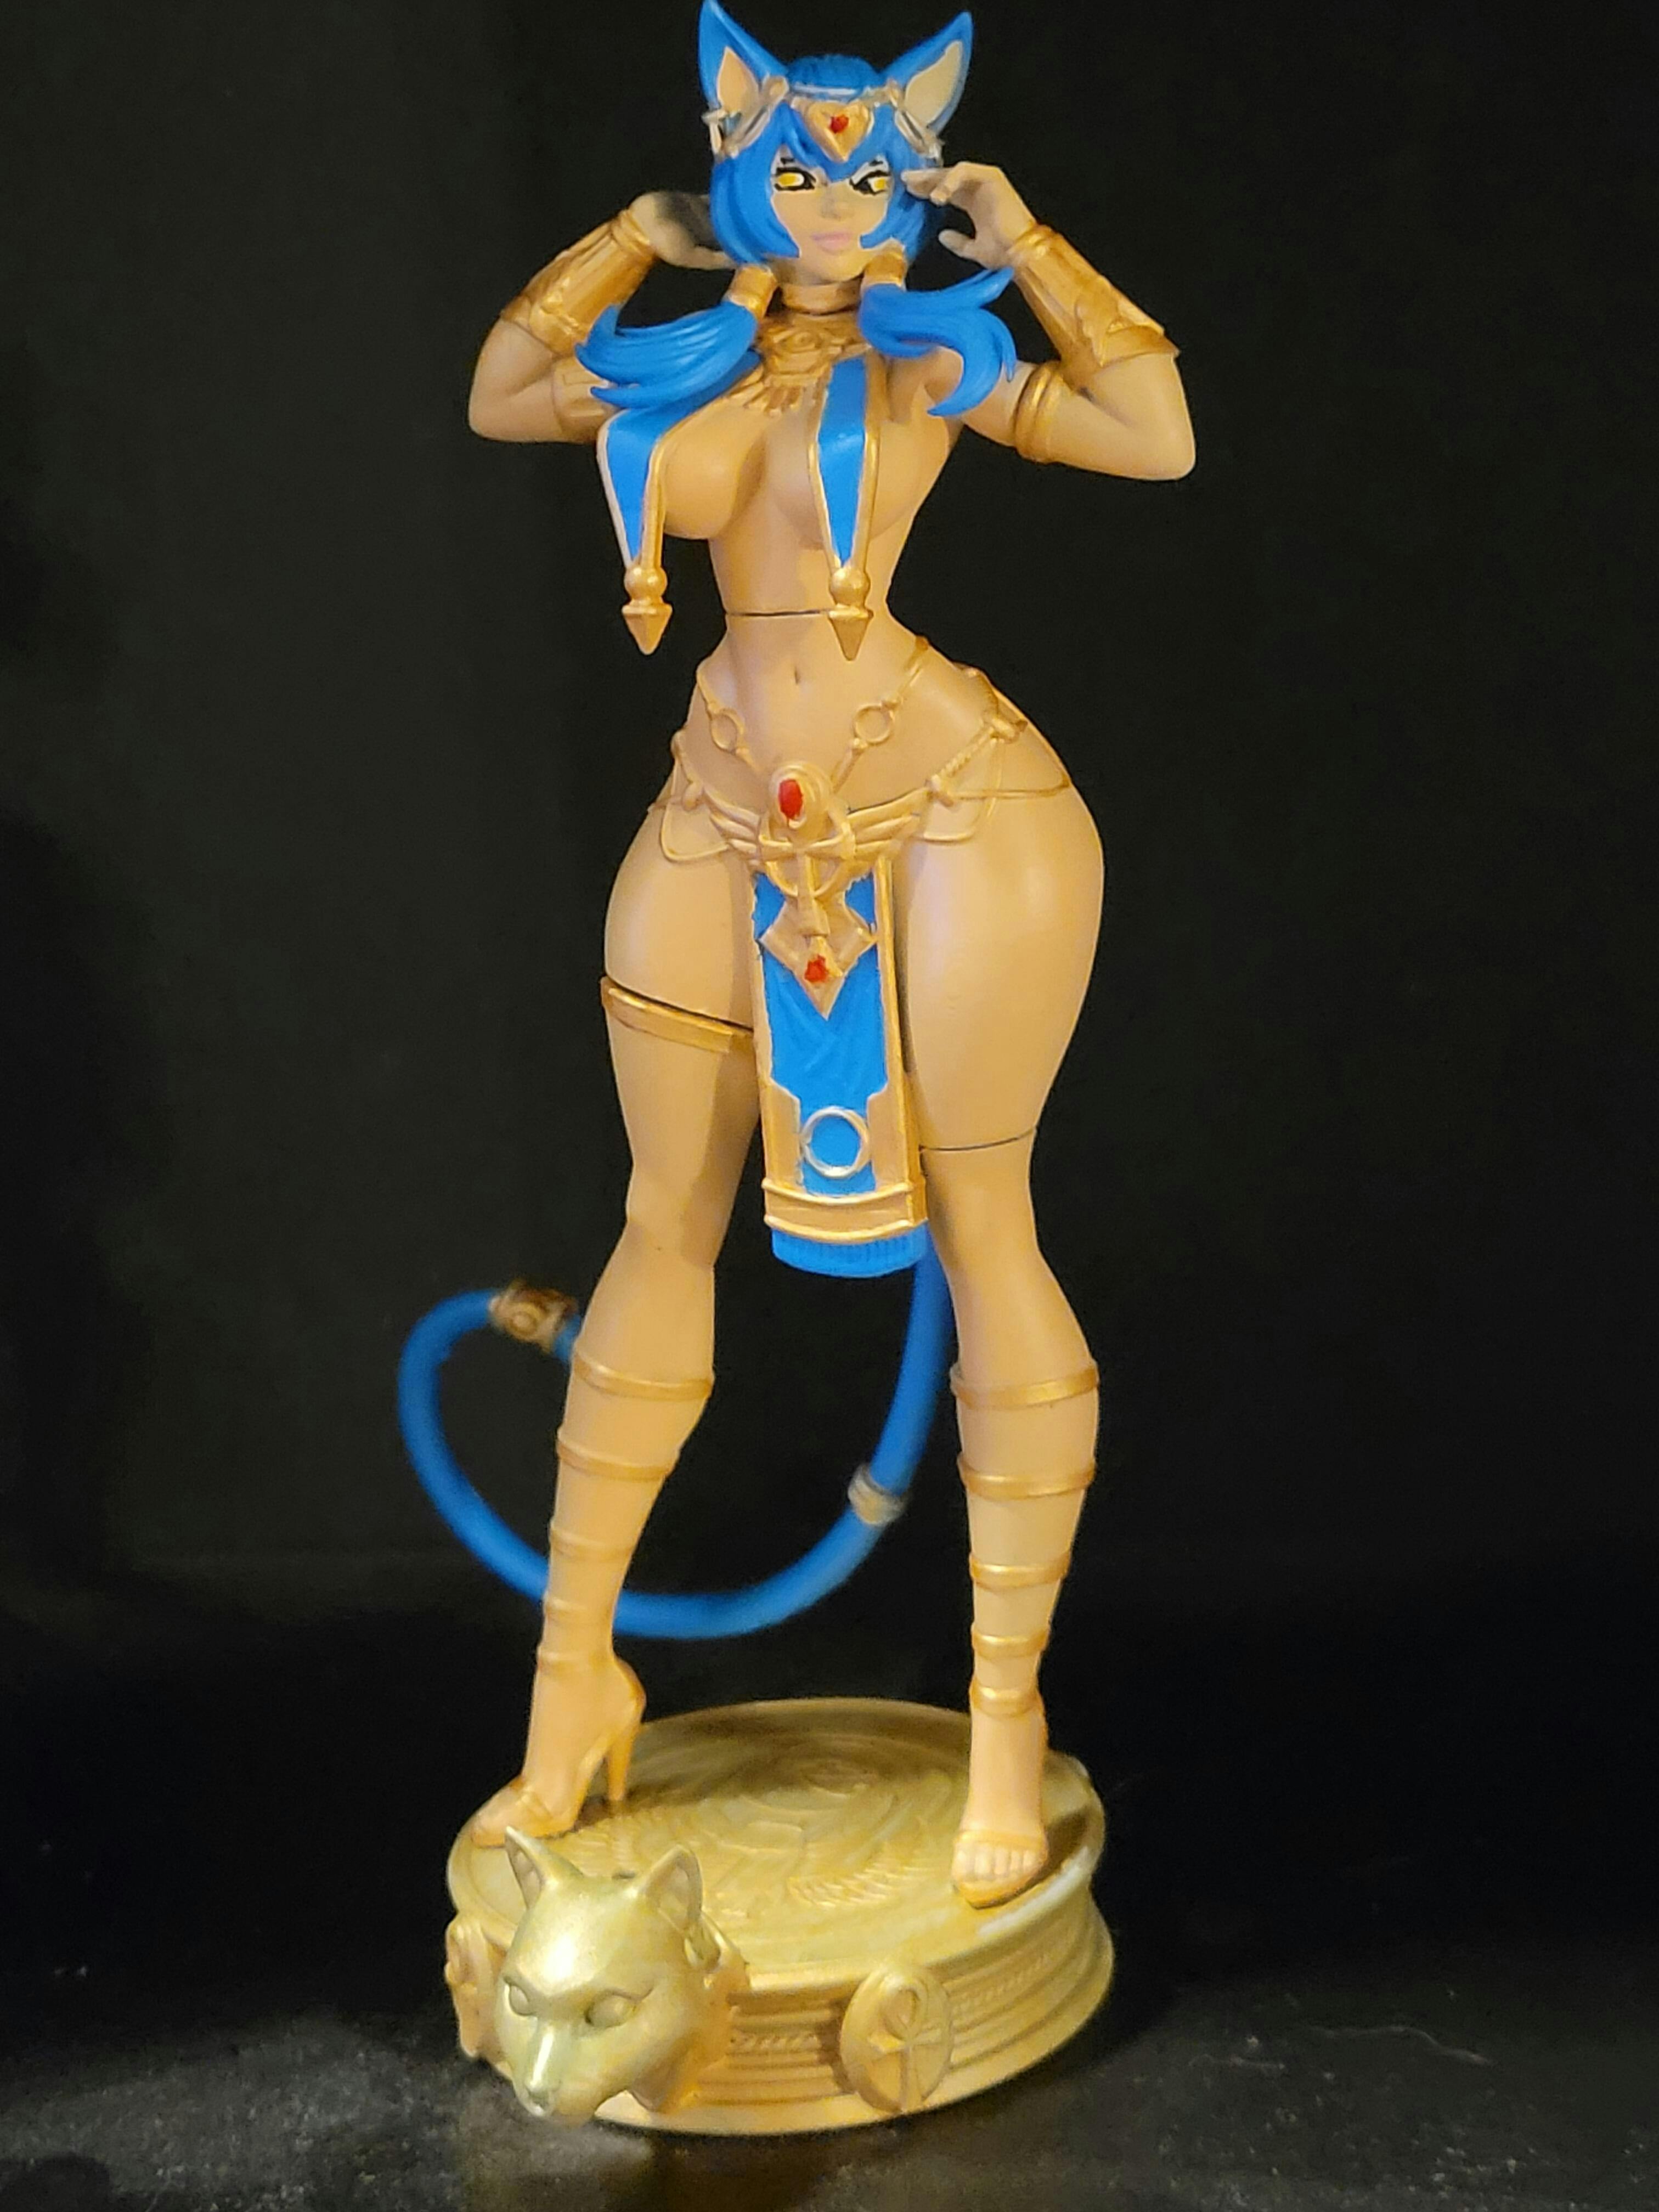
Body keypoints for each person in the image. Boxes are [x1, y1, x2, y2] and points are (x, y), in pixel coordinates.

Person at [464, 3, 1193, 1909]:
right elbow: (503, 391)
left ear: (912, 191)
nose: (838, 205)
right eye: (798, 169)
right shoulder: (693, 354)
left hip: (945, 804)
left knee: (986, 1222)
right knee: (660, 1223)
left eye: (874, 178)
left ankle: (1006, 1716)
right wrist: (636, 236)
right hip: (726, 799)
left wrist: (1024, 244)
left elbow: (1155, 432)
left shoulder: (928, 357)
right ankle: (570, 1684)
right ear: (739, 165)